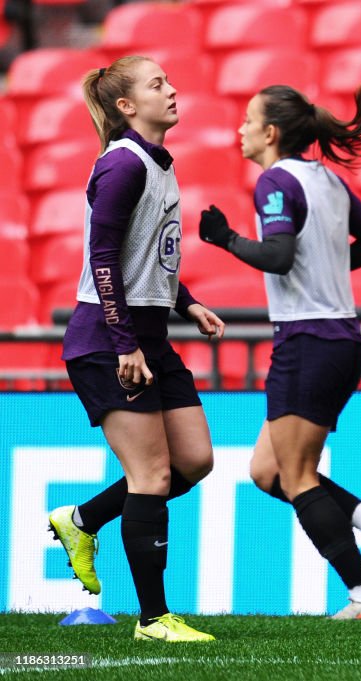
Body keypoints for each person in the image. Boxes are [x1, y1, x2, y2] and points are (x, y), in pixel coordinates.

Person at [197, 81, 361, 620]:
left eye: (248, 120)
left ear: (270, 133)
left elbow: (278, 256)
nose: (240, 130)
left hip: (307, 339)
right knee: (268, 472)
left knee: (295, 476)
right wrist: (330, 270)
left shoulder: (276, 180)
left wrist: (223, 238)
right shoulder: (328, 180)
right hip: (340, 338)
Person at [50, 56, 225, 643]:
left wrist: (186, 301)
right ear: (127, 106)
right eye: (158, 85)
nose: (172, 90)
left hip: (150, 334)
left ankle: (83, 520)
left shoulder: (157, 162)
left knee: (194, 460)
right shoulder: (123, 166)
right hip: (109, 340)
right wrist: (125, 343)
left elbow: (147, 254)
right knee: (150, 474)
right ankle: (154, 619)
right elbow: (102, 260)